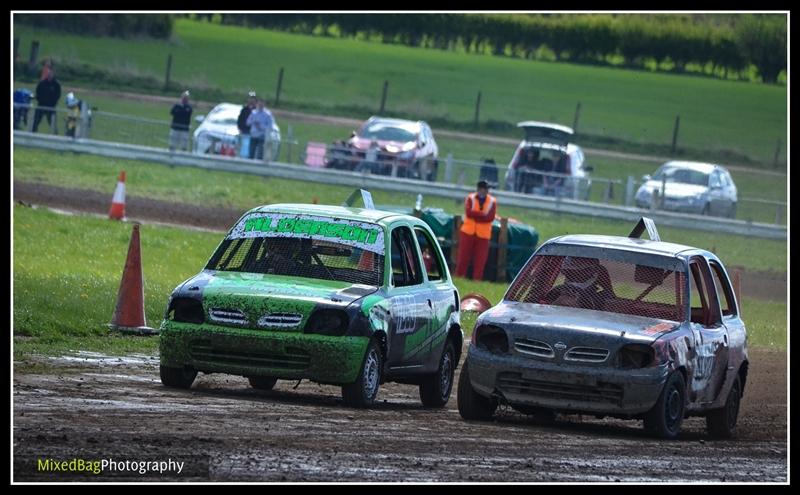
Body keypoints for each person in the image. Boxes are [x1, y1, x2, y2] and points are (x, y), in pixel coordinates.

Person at [456, 180, 497, 280]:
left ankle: (476, 280)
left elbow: (490, 217)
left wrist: (476, 215)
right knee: (463, 258)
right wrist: (482, 215)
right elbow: (469, 213)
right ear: (479, 189)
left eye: (486, 189)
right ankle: (459, 277)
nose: (485, 191)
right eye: (483, 189)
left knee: (480, 260)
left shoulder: (492, 201)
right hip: (468, 232)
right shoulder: (470, 198)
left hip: (483, 234)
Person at [32, 67, 61, 133]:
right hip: (41, 105)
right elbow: (38, 92)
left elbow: (58, 95)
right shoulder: (42, 83)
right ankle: (33, 134)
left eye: (51, 73)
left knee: (52, 123)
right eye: (48, 73)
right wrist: (39, 99)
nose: (49, 74)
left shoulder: (56, 84)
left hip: (51, 107)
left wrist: (53, 103)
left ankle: (55, 136)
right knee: (36, 121)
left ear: (53, 74)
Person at [237, 91, 257, 158]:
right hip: (245, 131)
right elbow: (240, 120)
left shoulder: (257, 110)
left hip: (254, 133)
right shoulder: (244, 109)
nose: (251, 100)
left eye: (253, 98)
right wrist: (240, 129)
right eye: (250, 98)